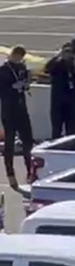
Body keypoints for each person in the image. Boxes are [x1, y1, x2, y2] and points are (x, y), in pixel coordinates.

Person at [0, 47, 34, 187]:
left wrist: (25, 84)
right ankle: (10, 173)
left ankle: (31, 171)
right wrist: (11, 87)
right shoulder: (3, 69)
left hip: (21, 108)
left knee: (28, 140)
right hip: (9, 109)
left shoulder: (22, 67)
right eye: (17, 56)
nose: (18, 59)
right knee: (9, 142)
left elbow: (26, 81)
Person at [43, 44, 75, 141]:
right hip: (58, 100)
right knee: (57, 127)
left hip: (70, 100)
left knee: (71, 128)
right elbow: (47, 68)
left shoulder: (73, 65)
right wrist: (58, 56)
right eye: (66, 52)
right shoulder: (57, 64)